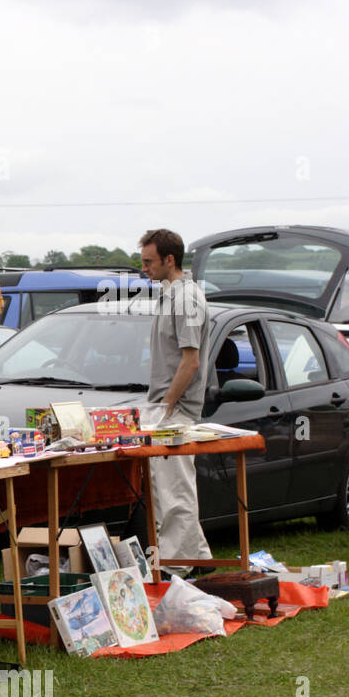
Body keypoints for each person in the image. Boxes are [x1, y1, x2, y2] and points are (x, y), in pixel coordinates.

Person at [138, 227, 213, 570]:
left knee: (173, 496)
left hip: (175, 410)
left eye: (149, 261)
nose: (145, 269)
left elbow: (191, 359)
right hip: (166, 407)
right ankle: (201, 560)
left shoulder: (185, 298)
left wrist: (166, 407)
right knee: (170, 490)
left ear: (170, 259)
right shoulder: (171, 293)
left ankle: (175, 571)